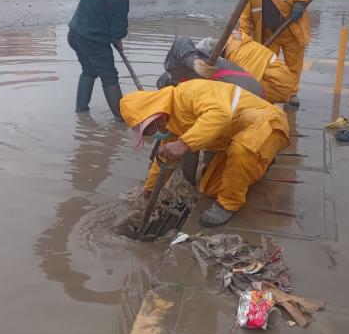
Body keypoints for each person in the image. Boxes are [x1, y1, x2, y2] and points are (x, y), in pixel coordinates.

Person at [120, 79, 290, 227]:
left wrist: (185, 143)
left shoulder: (189, 92)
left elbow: (220, 115)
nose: (151, 134)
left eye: (149, 130)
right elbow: (164, 162)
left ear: (155, 116)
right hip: (236, 138)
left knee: (242, 149)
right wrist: (149, 190)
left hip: (267, 122)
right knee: (209, 189)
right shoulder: (171, 124)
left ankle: (229, 205)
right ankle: (260, 160)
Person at [67, 0, 149, 119]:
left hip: (74, 35)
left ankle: (81, 111)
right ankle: (121, 118)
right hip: (93, 41)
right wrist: (118, 39)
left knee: (89, 70)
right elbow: (117, 31)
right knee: (109, 76)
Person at [239, 0, 312, 107]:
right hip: (269, 35)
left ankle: (292, 94)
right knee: (268, 67)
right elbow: (244, 17)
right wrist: (243, 42)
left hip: (292, 30)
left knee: (294, 65)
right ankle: (270, 93)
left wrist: (300, 2)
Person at [196, 30, 295, 104]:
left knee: (236, 94)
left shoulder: (239, 55)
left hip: (279, 85)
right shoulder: (235, 45)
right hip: (277, 78)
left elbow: (249, 88)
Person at [157, 35, 264, 99]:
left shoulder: (176, 71)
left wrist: (194, 62)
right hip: (255, 93)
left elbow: (180, 41)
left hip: (247, 94)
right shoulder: (188, 93)